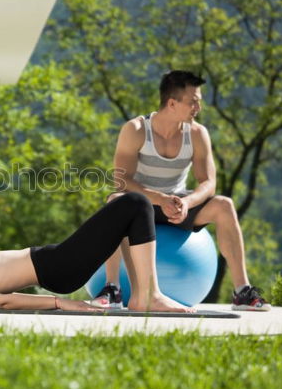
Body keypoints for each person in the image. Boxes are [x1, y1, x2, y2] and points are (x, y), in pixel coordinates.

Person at [91, 70, 271, 312]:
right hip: (143, 205)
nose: (198, 106)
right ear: (172, 103)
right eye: (193, 101)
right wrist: (159, 198)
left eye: (199, 100)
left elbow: (208, 182)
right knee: (116, 200)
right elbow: (121, 180)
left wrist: (187, 203)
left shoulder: (197, 134)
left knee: (224, 205)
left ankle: (242, 292)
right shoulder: (135, 130)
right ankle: (112, 288)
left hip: (179, 205)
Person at [0, 192, 195, 313]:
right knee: (133, 203)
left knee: (128, 207)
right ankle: (146, 296)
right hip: (58, 267)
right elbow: (2, 301)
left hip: (56, 261)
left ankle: (144, 295)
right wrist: (60, 303)